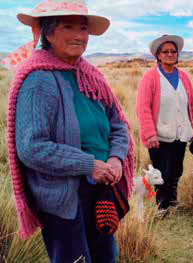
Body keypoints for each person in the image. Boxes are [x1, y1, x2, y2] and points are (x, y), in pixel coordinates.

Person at [4, 1, 135, 262]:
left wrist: (116, 158)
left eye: (83, 28)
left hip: (102, 189)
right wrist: (90, 165)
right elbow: (32, 148)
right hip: (65, 200)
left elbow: (118, 125)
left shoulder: (90, 75)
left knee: (104, 257)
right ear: (49, 33)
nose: (79, 35)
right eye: (68, 26)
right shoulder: (38, 80)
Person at [136, 34, 193, 211]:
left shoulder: (184, 77)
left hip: (181, 135)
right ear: (158, 55)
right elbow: (143, 109)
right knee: (161, 172)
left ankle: (172, 199)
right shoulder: (150, 78)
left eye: (173, 51)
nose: (170, 54)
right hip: (158, 137)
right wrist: (149, 134)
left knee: (177, 170)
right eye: (165, 51)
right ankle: (161, 205)